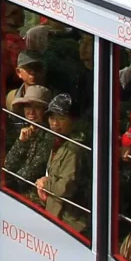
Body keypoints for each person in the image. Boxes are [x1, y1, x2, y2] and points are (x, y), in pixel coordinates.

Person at [37, 92, 88, 233]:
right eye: (52, 118)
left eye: (61, 118)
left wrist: (44, 183)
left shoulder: (75, 149)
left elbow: (65, 187)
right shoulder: (58, 142)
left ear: (73, 120)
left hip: (70, 224)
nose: (54, 123)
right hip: (56, 217)